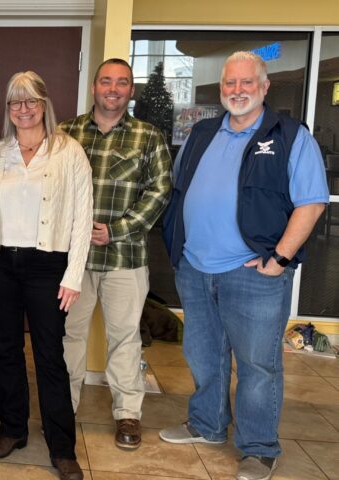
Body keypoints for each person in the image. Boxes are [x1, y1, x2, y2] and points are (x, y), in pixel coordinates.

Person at [160, 51, 328, 480]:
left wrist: (281, 257)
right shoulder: (201, 132)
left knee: (257, 364)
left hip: (254, 274)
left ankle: (258, 448)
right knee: (203, 355)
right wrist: (177, 248)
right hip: (196, 269)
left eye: (246, 83)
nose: (237, 90)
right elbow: (180, 192)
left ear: (264, 86)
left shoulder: (290, 136)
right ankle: (207, 425)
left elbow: (310, 202)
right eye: (229, 84)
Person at [0, 71, 92, 480]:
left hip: (47, 267)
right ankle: (12, 429)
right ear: (8, 110)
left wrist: (73, 276)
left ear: (44, 104)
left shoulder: (68, 152)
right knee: (5, 351)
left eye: (30, 101)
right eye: (15, 102)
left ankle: (62, 446)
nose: (23, 109)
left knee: (50, 356)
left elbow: (81, 217)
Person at [59, 58, 173, 449]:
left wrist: (116, 230)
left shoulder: (148, 136)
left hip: (125, 259)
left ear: (131, 91)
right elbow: (49, 188)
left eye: (121, 83)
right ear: (93, 87)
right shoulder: (66, 132)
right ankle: (63, 408)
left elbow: (159, 191)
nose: (113, 88)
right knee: (68, 335)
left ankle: (128, 415)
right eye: (105, 81)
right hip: (73, 262)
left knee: (125, 338)